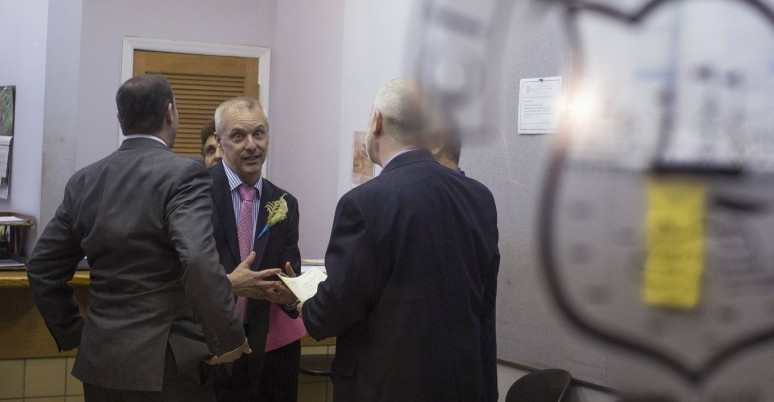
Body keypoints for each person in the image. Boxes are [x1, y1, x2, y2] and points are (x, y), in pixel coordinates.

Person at [27, 74, 248, 401]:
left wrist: (76, 333)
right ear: (170, 113)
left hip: (100, 364)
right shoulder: (184, 175)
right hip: (168, 367)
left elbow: (42, 267)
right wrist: (228, 339)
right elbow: (199, 261)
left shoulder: (84, 181)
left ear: (120, 119)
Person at [299, 78, 500, 401]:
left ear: (377, 121)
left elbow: (332, 312)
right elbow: (483, 311)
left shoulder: (363, 204)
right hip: (464, 386)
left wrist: (304, 305)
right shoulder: (479, 198)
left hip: (384, 388)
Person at [208, 96, 304, 402]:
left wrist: (292, 297)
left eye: (259, 134)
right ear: (220, 143)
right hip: (206, 346)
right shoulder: (195, 192)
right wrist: (227, 284)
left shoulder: (285, 203)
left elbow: (292, 275)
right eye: (239, 136)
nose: (252, 145)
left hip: (265, 350)